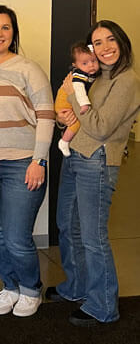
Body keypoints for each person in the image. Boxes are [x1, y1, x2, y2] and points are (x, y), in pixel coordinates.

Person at [51, 20, 140, 327]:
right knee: (67, 225)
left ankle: (103, 305)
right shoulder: (97, 76)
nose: (105, 48)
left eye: (110, 40)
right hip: (76, 154)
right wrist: (66, 118)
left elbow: (101, 127)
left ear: (122, 41)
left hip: (98, 161)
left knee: (92, 236)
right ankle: (77, 287)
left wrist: (72, 93)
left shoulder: (127, 81)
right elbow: (81, 118)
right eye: (97, 43)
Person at [0, 5, 54, 317]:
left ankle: (31, 288)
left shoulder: (28, 68)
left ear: (13, 34)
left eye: (5, 28)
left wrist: (39, 161)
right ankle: (11, 286)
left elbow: (46, 114)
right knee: (0, 232)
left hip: (22, 163)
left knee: (17, 237)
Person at [54, 42, 99, 157]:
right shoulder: (79, 74)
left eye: (93, 61)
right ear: (75, 65)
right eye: (85, 63)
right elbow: (79, 90)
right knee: (76, 121)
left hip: (69, 101)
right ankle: (64, 141)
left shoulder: (90, 73)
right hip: (64, 101)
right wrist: (84, 104)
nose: (91, 65)